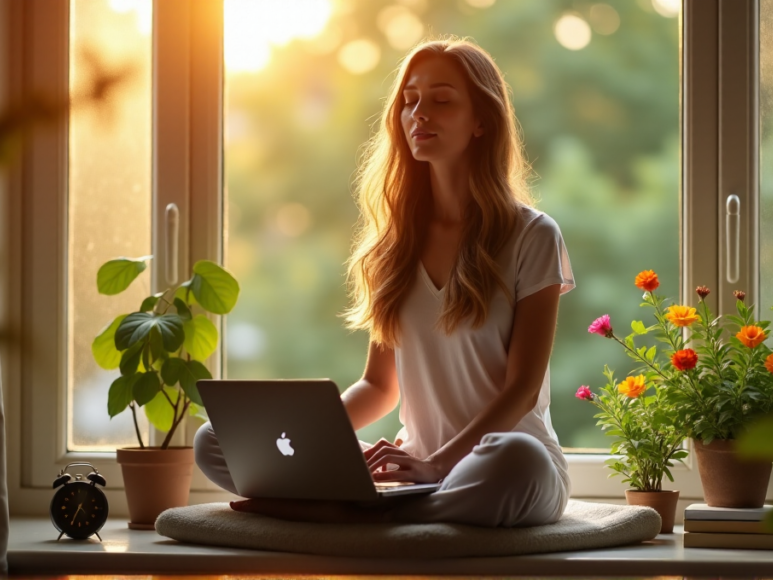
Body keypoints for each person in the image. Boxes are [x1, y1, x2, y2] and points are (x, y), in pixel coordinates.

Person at [194, 37, 575, 527]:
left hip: (499, 467)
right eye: (409, 101)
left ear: (482, 121)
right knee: (216, 439)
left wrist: (440, 463)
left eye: (441, 100)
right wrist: (304, 438)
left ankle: (352, 514)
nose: (419, 113)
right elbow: (378, 385)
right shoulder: (392, 247)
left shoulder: (533, 235)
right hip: (412, 471)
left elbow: (522, 389)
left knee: (516, 460)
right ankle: (377, 505)